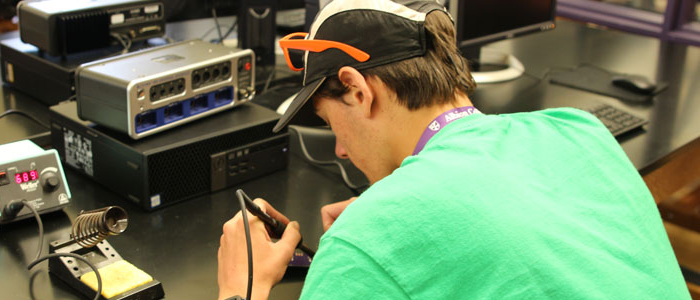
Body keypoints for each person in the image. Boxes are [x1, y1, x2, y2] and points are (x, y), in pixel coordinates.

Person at [217, 0, 691, 299]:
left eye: (329, 122)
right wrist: (406, 212)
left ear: (357, 89)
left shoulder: (369, 238)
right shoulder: (579, 129)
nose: (340, 149)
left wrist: (243, 286)